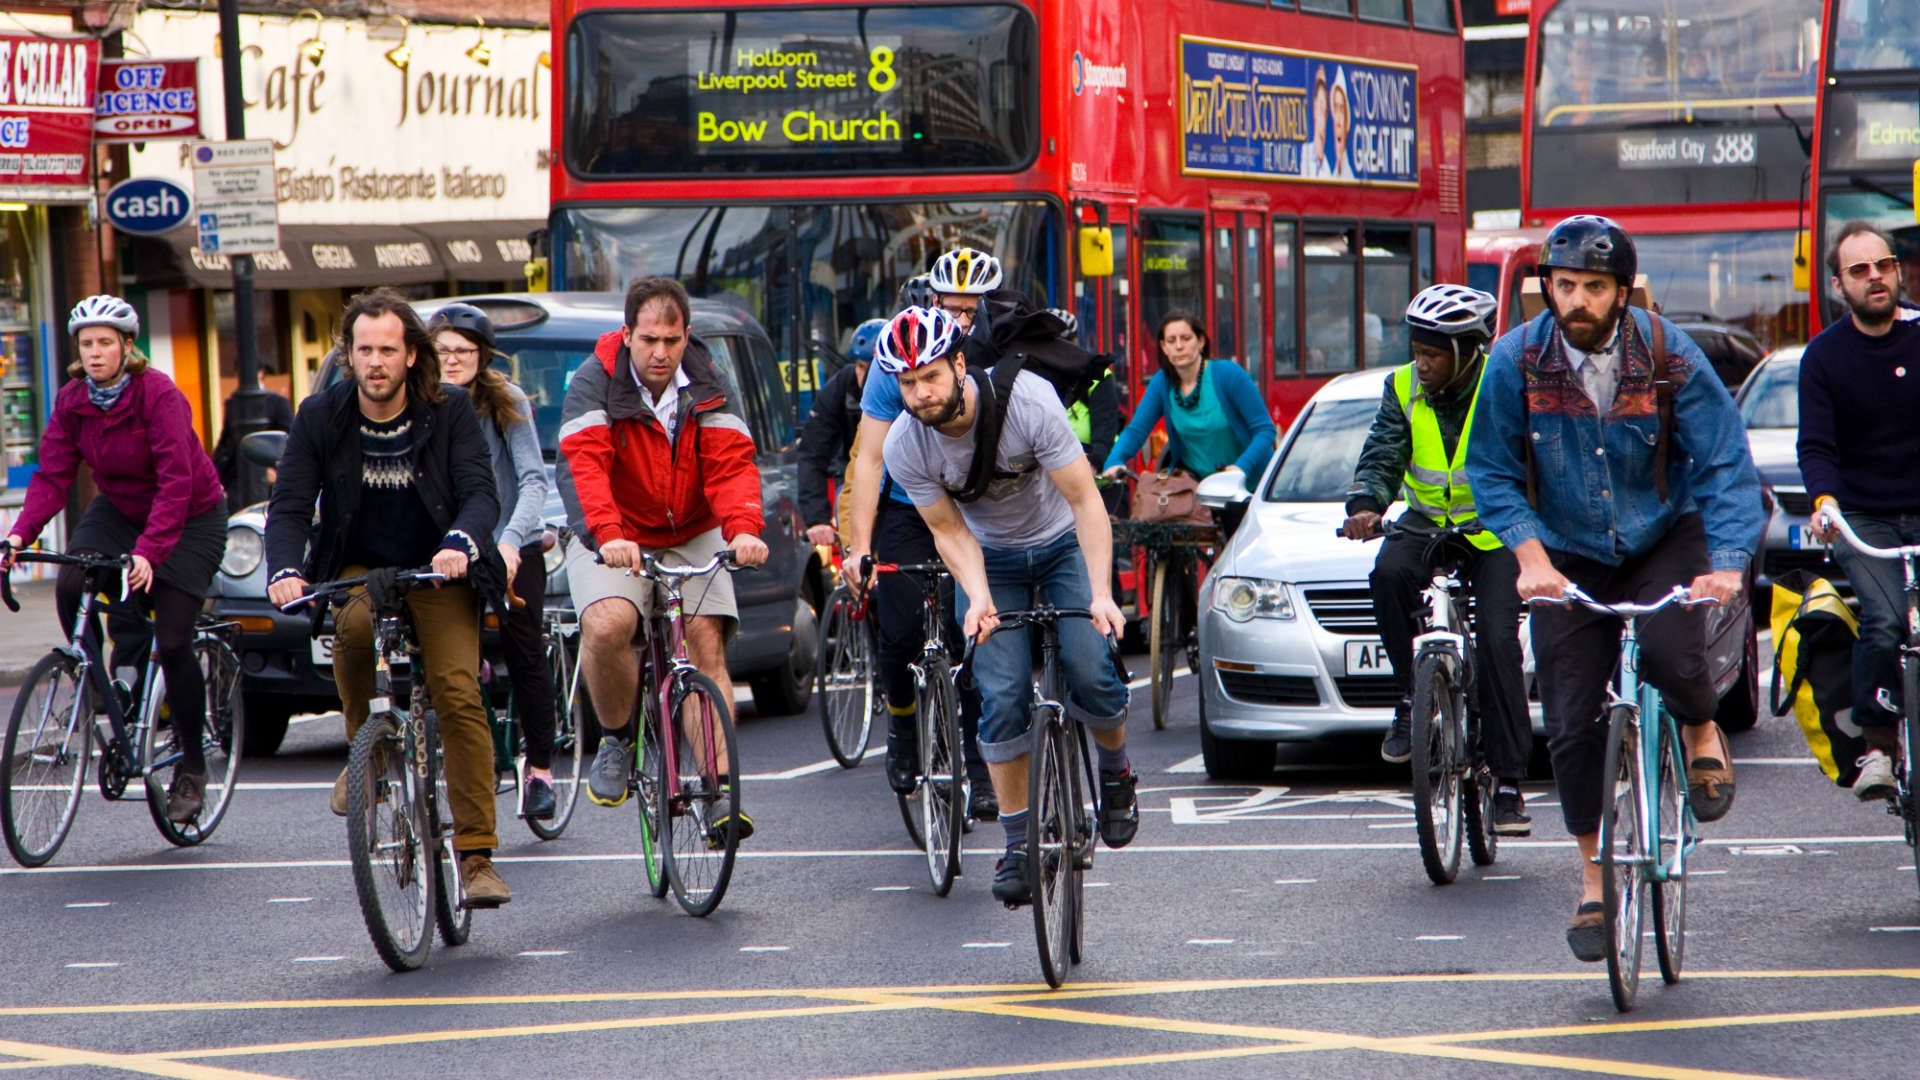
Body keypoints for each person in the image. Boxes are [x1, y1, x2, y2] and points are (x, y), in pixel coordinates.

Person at [1465, 214, 1764, 962]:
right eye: (1564, 286)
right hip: (1566, 552)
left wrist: (1725, 564)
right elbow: (1492, 472)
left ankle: (1700, 728)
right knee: (1567, 722)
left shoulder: (1667, 354)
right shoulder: (1516, 361)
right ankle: (1595, 880)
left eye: (1594, 288)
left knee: (1670, 650)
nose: (1577, 301)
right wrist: (1530, 558)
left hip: (1664, 533)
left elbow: (1725, 462)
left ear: (1621, 292)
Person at [876, 306, 1137, 905]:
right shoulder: (904, 445)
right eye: (907, 382)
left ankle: (1117, 773)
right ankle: (1019, 843)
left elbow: (1085, 502)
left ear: (960, 364)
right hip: (989, 557)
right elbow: (950, 532)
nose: (919, 393)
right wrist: (981, 600)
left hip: (1062, 544)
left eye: (930, 377)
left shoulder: (1030, 401)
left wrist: (1100, 593)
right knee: (1001, 694)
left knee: (1092, 669)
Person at [264, 288, 512, 907]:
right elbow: (290, 506)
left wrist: (461, 541)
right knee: (349, 636)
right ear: (349, 355)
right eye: (363, 349)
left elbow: (481, 493)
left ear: (410, 356)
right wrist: (285, 569)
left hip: (439, 564)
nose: (375, 362)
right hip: (360, 563)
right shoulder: (321, 414)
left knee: (457, 687)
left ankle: (476, 855)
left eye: (388, 350)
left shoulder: (449, 408)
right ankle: (366, 754)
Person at [555, 276, 768, 842]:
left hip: (693, 527)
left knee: (703, 639)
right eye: (648, 340)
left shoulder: (706, 379)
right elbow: (585, 466)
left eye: (671, 341)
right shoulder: (594, 381)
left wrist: (743, 528)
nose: (660, 353)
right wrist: (606, 534)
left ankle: (719, 792)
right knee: (608, 624)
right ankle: (618, 738)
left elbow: (732, 464)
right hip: (614, 528)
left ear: (686, 336)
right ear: (626, 335)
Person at [3, 295, 227, 825]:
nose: (97, 352)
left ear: (128, 347)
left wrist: (149, 553)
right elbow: (54, 476)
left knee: (173, 638)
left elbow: (178, 481)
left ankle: (192, 767)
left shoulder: (159, 395)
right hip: (121, 507)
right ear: (78, 352)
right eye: (88, 344)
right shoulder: (74, 400)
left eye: (107, 342)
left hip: (191, 513)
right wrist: (17, 534)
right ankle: (98, 685)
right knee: (70, 581)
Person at [1342, 284, 1532, 836]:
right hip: (1426, 522)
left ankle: (1510, 784)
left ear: (1468, 350)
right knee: (1387, 574)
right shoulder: (1401, 386)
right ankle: (1411, 698)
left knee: (1498, 639)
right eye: (1416, 349)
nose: (1419, 363)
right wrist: (1365, 506)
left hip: (1494, 532)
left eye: (1432, 353)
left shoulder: (1503, 384)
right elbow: (1382, 453)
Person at [845, 251, 1005, 822]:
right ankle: (904, 726)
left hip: (973, 499)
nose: (961, 319)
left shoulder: (992, 348)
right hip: (907, 503)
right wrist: (860, 546)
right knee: (900, 628)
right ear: (932, 299)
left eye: (971, 310)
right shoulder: (902, 351)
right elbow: (868, 459)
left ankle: (982, 769)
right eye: (951, 307)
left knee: (972, 640)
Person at [1802, 221, 1920, 800]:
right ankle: (1878, 747)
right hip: (1864, 519)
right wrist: (1826, 505)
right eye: (1859, 270)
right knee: (1885, 621)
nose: (1875, 277)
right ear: (1837, 285)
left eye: (1884, 265)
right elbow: (1817, 446)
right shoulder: (1823, 358)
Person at [429, 302, 559, 820]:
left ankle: (541, 772)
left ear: (483, 357)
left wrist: (512, 541)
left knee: (524, 647)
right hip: (453, 544)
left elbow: (532, 479)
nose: (454, 360)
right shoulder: (421, 402)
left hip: (511, 539)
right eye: (443, 351)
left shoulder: (504, 400)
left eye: (464, 351)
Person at [1100, 310, 1275, 484]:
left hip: (1252, 487)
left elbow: (1265, 431)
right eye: (1171, 340)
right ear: (1163, 347)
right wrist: (1115, 460)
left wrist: (1240, 468)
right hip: (1198, 491)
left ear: (1200, 342)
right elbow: (1136, 430)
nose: (1179, 346)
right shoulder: (1161, 383)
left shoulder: (1229, 375)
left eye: (1186, 338)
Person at [800, 318, 886, 548]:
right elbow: (812, 451)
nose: (865, 377)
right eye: (860, 366)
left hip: (904, 481)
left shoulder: (905, 386)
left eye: (873, 367)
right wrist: (817, 519)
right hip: (854, 474)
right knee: (846, 505)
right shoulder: (842, 386)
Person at [210, 385, 293, 511]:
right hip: (237, 479)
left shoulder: (278, 403)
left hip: (270, 481)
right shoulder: (233, 403)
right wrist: (216, 478)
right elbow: (226, 444)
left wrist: (278, 470)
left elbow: (288, 441)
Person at [1302, 66, 1332, 180]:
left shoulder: (1329, 171)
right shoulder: (1303, 153)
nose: (1322, 122)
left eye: (1325, 112)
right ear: (1314, 109)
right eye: (1319, 109)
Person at [1328, 68, 1357, 181]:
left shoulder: (1350, 178)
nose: (1339, 122)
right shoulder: (1329, 175)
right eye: (1335, 109)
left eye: (1342, 110)